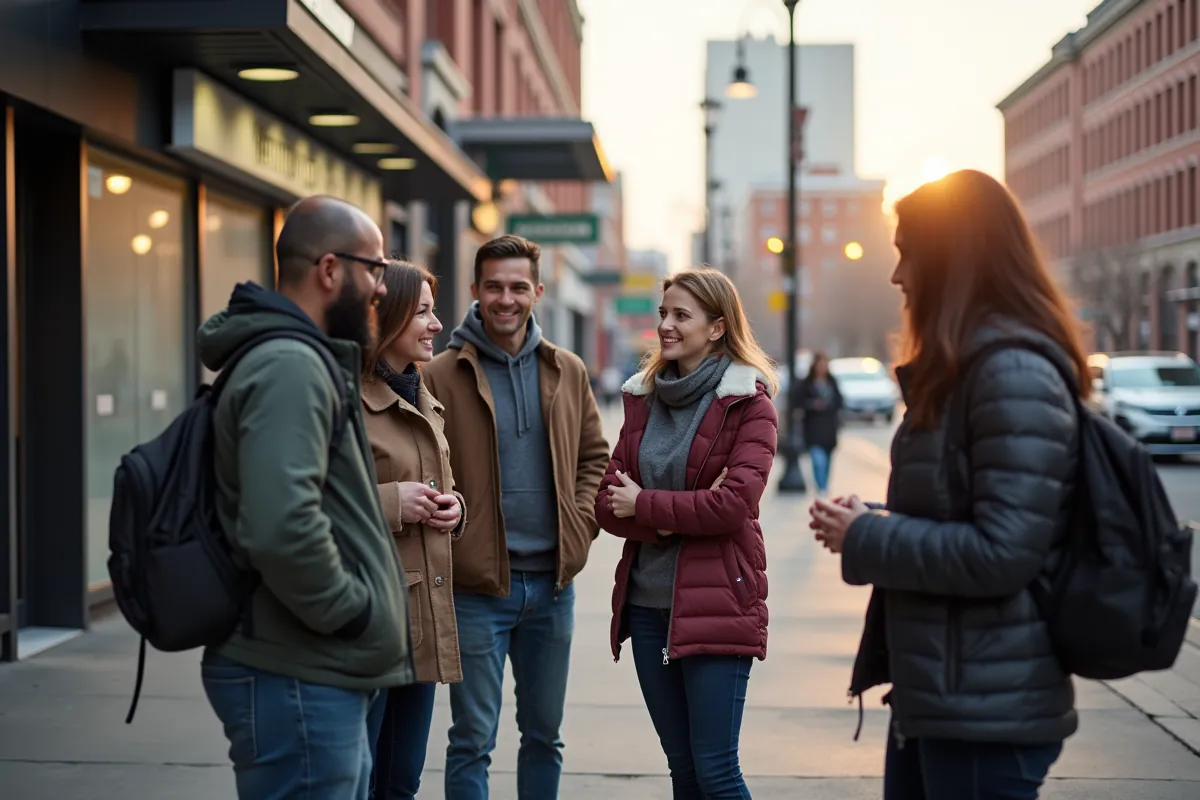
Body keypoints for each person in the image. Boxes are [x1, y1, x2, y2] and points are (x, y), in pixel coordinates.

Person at [810, 169, 1086, 800]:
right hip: (943, 694)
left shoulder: (1011, 373)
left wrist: (869, 535)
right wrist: (872, 518)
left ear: (953, 261)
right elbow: (962, 512)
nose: (896, 275)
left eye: (908, 253)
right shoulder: (969, 369)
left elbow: (1003, 553)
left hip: (985, 713)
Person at [197, 196, 415, 799]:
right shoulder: (290, 366)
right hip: (297, 669)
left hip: (305, 667)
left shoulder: (298, 358)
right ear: (330, 269)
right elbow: (282, 526)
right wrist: (352, 614)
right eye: (375, 269)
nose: (381, 288)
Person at [422, 234, 610, 799]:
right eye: (495, 287)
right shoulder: (439, 374)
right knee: (471, 741)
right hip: (477, 590)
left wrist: (579, 525)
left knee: (545, 737)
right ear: (475, 290)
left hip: (553, 587)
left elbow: (595, 458)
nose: (507, 299)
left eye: (518, 287)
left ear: (538, 292)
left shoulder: (567, 370)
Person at [595, 267, 778, 800]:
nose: (666, 326)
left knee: (717, 772)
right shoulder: (642, 398)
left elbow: (732, 506)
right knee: (683, 771)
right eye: (663, 314)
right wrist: (680, 512)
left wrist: (645, 504)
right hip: (647, 608)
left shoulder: (748, 404)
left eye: (681, 315)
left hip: (718, 603)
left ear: (717, 327)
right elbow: (607, 505)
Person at [360, 260, 466, 799]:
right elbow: (306, 502)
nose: (437, 325)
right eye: (423, 312)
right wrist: (391, 502)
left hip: (420, 619)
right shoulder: (346, 400)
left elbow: (440, 484)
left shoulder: (420, 394)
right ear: (388, 316)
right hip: (370, 620)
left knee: (400, 782)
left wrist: (454, 509)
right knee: (357, 782)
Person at [795, 350, 842, 497]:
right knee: (818, 461)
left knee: (827, 462)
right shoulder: (807, 384)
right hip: (813, 429)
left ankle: (824, 486)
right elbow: (798, 401)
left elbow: (840, 402)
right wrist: (812, 404)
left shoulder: (832, 382)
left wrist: (829, 405)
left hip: (829, 429)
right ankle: (821, 487)